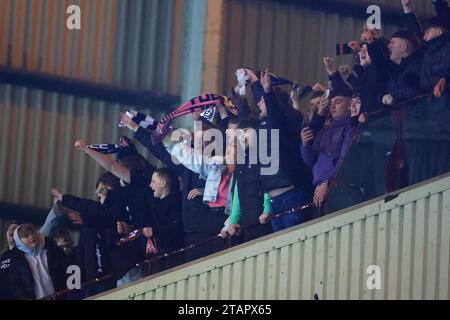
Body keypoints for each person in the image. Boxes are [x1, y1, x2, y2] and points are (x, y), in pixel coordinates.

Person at [248, 68, 314, 232]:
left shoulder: (283, 122)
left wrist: (267, 91)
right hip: (274, 199)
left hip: (291, 195)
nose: (258, 103)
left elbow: (274, 115)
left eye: (262, 101)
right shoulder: (262, 126)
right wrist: (254, 82)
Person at [300, 85, 355, 212]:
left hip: (338, 187)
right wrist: (305, 144)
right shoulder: (326, 127)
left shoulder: (350, 128)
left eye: (338, 102)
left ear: (349, 104)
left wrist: (327, 181)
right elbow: (311, 161)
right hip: (319, 188)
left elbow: (345, 159)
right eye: (331, 103)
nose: (333, 106)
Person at [8, 224, 68, 300]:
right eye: (26, 236)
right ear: (19, 240)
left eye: (32, 233)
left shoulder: (53, 249)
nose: (31, 237)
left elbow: (66, 270)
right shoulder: (16, 259)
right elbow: (14, 284)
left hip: (60, 297)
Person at [382, 30, 424, 105]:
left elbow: (413, 91)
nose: (388, 46)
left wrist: (392, 94)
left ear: (403, 47)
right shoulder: (398, 69)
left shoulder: (417, 65)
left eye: (392, 43)